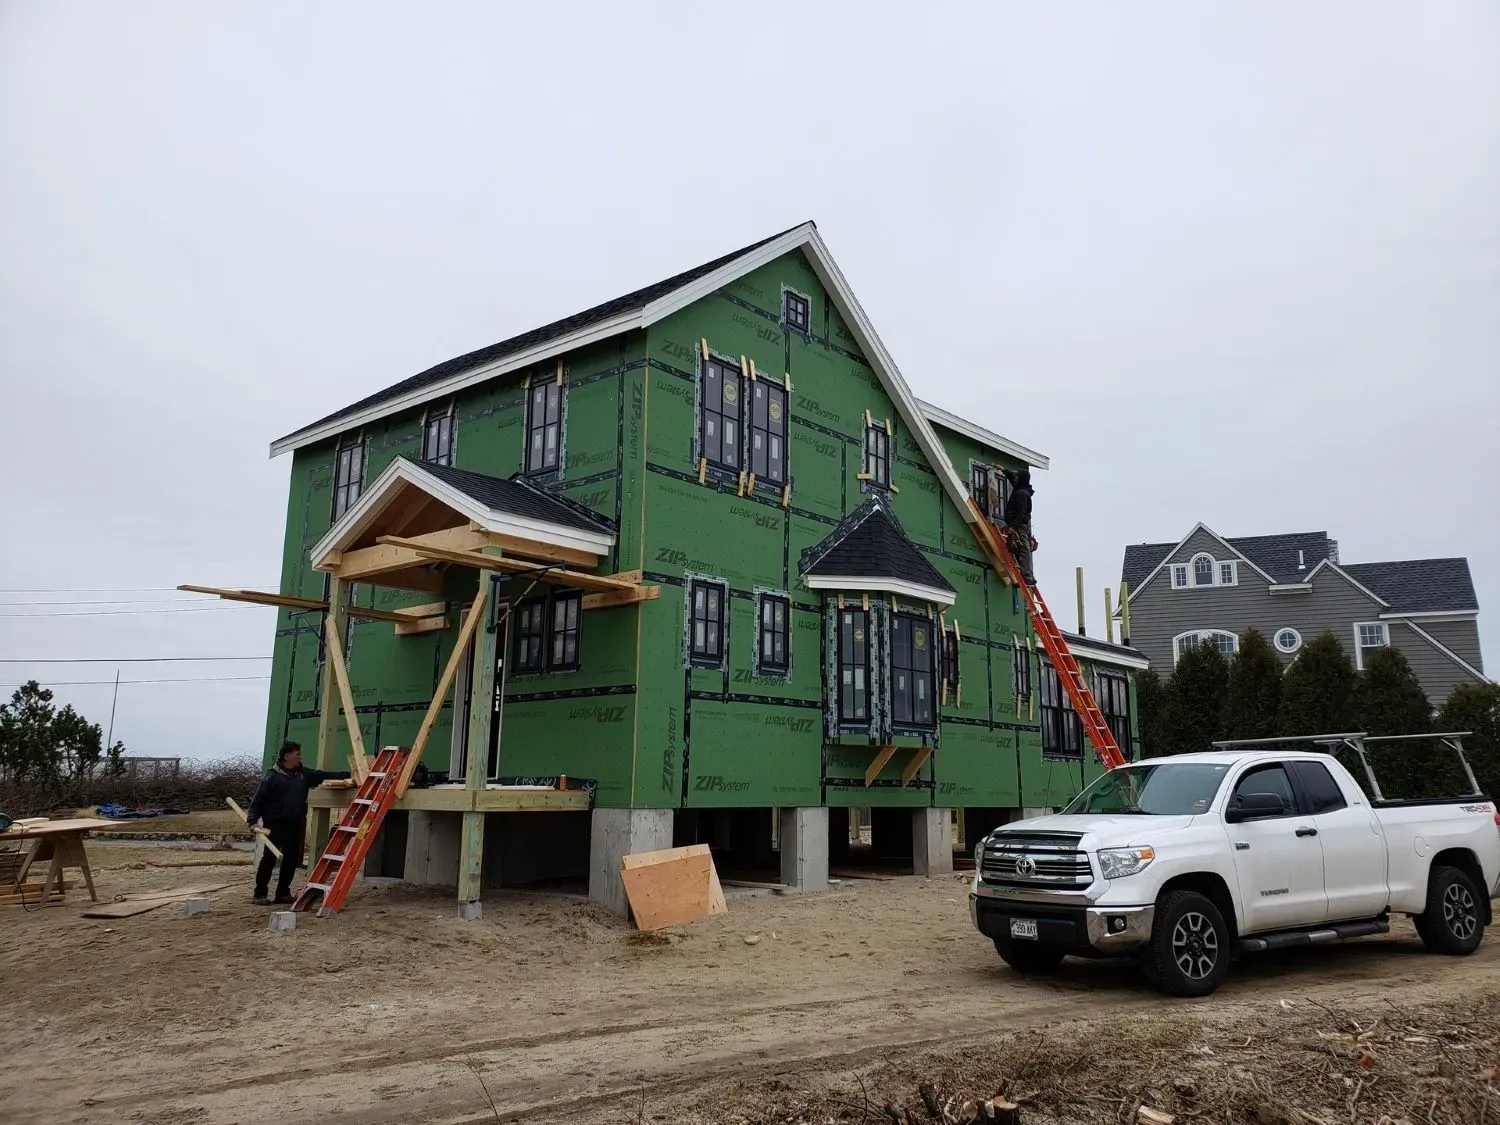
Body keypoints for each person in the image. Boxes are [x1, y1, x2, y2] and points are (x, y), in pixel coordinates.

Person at [245, 740, 351, 905]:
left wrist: (348, 774)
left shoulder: (302, 774)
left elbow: (321, 775)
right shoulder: (271, 777)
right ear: (287, 756)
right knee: (269, 859)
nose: (300, 757)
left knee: (291, 859)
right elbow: (258, 801)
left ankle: (282, 893)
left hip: (295, 823)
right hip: (275, 824)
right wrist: (252, 820)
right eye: (297, 754)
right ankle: (259, 894)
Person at [999, 466, 1038, 585]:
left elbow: (1021, 512)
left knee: (1022, 549)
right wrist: (1003, 470)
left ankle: (1027, 577)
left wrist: (1013, 527)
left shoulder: (1022, 494)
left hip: (1020, 525)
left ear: (1020, 479)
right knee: (1017, 547)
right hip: (1018, 524)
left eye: (1017, 477)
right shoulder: (1021, 488)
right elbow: (1013, 477)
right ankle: (1025, 575)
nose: (1014, 478)